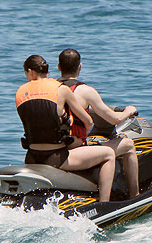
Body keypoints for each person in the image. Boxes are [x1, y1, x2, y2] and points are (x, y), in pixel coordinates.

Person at [15, 54, 116, 202]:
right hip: (57, 158)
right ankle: (104, 204)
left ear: (30, 72)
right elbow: (88, 120)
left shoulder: (20, 93)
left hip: (31, 157)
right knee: (109, 154)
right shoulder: (61, 89)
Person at [57, 48, 139, 199]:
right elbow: (114, 119)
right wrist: (128, 111)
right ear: (79, 67)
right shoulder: (86, 91)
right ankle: (134, 196)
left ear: (59, 67)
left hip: (54, 149)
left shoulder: (52, 89)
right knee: (128, 145)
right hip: (73, 151)